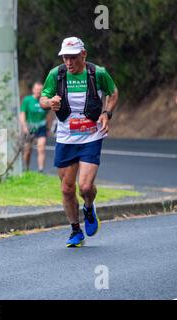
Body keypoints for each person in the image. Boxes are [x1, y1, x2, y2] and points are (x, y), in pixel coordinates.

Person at [39, 37, 118, 247]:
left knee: (84, 186)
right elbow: (43, 99)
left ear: (83, 55)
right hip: (66, 138)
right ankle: (75, 231)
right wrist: (50, 102)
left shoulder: (97, 73)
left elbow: (113, 92)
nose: (68, 62)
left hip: (92, 135)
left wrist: (106, 113)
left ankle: (89, 206)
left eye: (73, 57)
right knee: (66, 189)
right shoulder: (56, 74)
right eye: (65, 57)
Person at [19, 82, 50, 172]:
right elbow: (22, 114)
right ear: (33, 90)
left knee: (41, 147)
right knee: (28, 150)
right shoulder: (27, 100)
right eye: (36, 89)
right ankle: (26, 168)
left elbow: (47, 116)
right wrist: (24, 126)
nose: (38, 92)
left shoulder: (44, 101)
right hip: (30, 127)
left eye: (40, 90)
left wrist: (48, 127)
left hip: (41, 127)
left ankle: (40, 169)